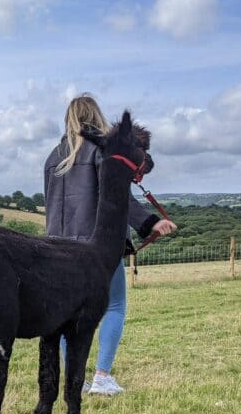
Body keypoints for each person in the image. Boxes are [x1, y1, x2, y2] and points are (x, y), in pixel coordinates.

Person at [43, 94, 177, 395]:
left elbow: (49, 204)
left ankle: (75, 379)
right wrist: (149, 223)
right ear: (97, 116)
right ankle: (102, 377)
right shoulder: (101, 152)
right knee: (115, 305)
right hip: (96, 247)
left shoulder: (53, 156)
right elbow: (117, 197)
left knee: (65, 316)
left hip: (55, 248)